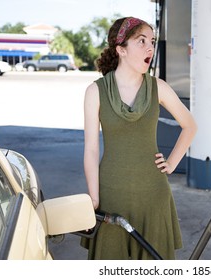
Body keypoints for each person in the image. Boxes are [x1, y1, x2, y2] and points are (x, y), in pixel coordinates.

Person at [82, 16, 197, 260]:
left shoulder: (159, 87)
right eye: (141, 41)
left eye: (152, 42)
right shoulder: (96, 91)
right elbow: (91, 149)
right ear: (121, 49)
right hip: (112, 195)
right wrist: (93, 198)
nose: (150, 48)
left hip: (153, 195)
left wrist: (172, 163)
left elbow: (190, 125)